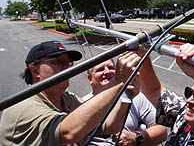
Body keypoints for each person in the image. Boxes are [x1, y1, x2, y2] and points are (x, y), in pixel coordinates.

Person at [0, 40, 142, 146]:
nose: (67, 67)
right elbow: (68, 132)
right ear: (35, 71)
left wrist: (126, 94)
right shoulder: (23, 107)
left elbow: (109, 127)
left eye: (68, 63)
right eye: (58, 62)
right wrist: (118, 80)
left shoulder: (67, 99)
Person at [84, 58, 168, 146]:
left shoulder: (135, 97)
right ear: (90, 79)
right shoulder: (82, 105)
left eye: (111, 68)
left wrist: (136, 138)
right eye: (100, 70)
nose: (107, 71)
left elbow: (162, 131)